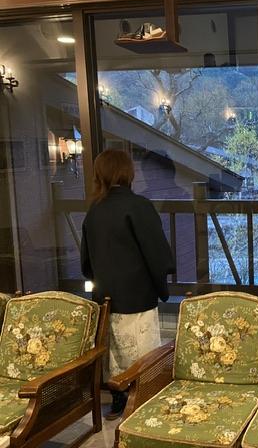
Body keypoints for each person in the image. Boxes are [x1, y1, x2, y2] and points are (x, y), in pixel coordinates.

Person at [81, 149, 175, 420]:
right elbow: (156, 253)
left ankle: (119, 399)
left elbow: (86, 261)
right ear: (127, 173)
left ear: (100, 174)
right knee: (142, 351)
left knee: (114, 351)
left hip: (107, 296)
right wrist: (162, 282)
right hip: (137, 295)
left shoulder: (95, 210)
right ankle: (143, 399)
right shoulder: (138, 206)